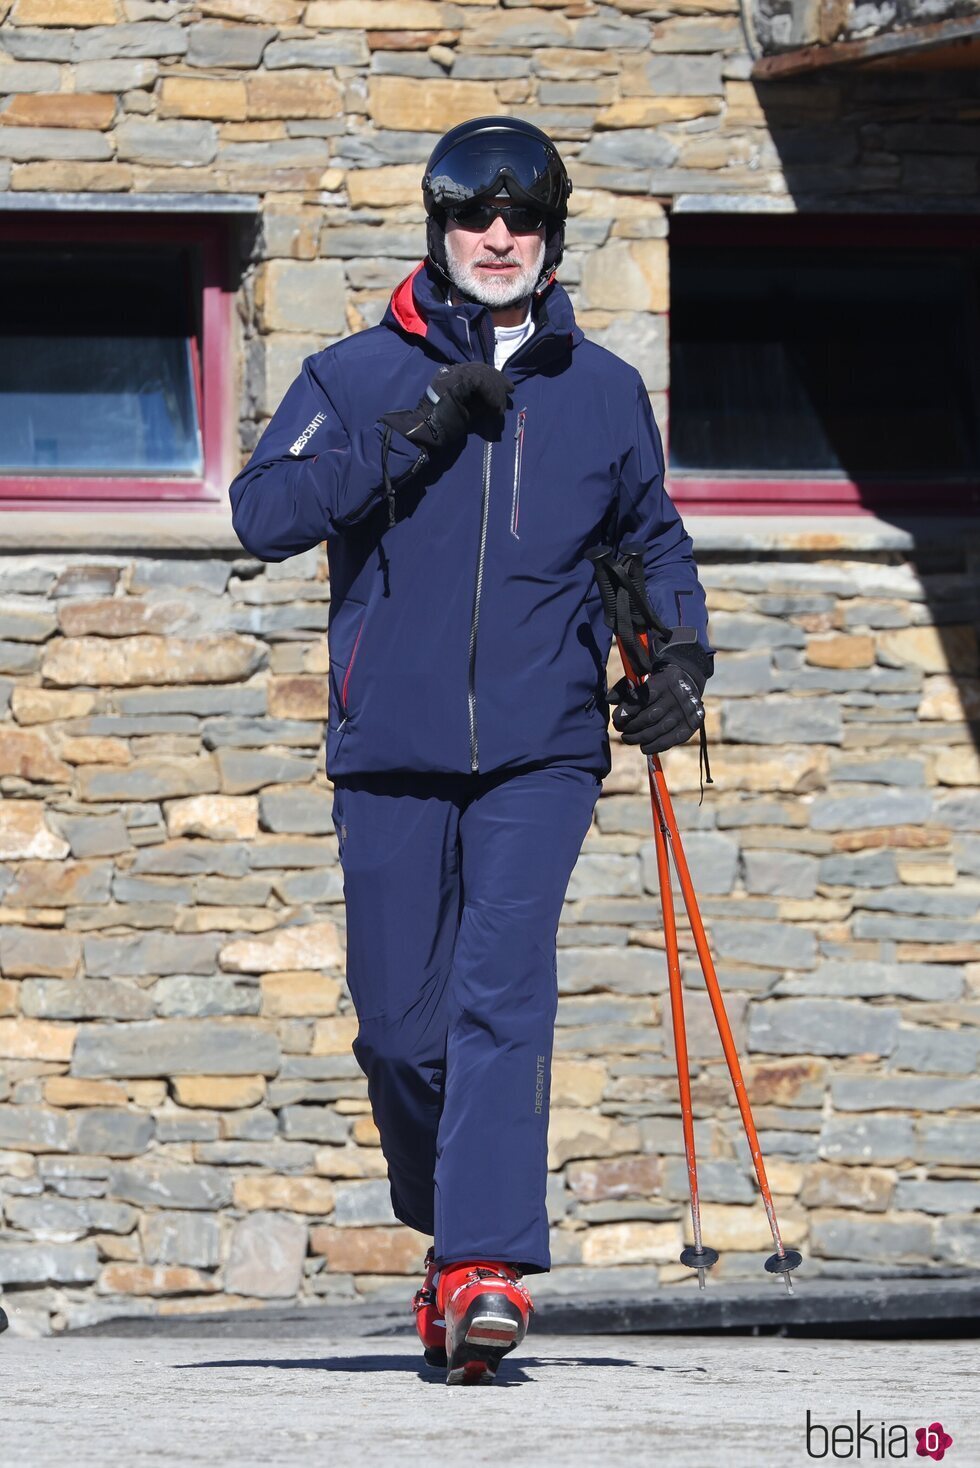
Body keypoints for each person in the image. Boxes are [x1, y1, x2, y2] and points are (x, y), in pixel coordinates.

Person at [229, 116, 714, 1386]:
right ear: (439, 231)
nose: (498, 241)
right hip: (386, 741)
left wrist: (676, 664)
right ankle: (447, 1219)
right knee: (399, 1029)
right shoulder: (351, 375)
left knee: (502, 991)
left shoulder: (600, 389)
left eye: (523, 223)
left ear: (551, 239)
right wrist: (414, 431)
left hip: (540, 747)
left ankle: (482, 1266)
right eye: (474, 221)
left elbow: (651, 542)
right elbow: (261, 511)